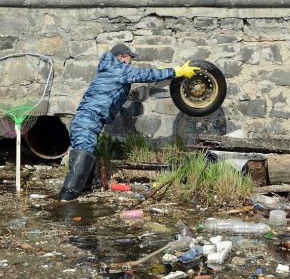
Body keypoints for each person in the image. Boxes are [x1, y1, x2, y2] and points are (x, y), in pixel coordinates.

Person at [59, 43, 200, 201]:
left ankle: (81, 195)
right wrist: (176, 71)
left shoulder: (109, 68)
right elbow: (146, 74)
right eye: (130, 58)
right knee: (83, 155)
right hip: (87, 121)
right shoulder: (118, 69)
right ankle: (66, 203)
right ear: (121, 57)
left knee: (87, 153)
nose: (131, 61)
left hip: (86, 121)